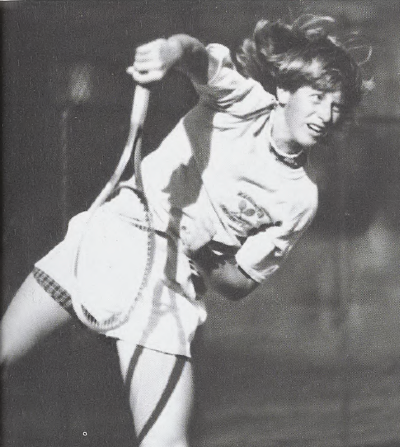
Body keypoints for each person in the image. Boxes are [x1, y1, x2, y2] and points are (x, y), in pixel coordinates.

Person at [1, 15, 367, 447]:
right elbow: (195, 55)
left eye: (336, 106)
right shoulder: (242, 101)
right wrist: (170, 51)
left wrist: (208, 256)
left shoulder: (301, 198)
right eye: (318, 96)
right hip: (111, 235)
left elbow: (237, 283)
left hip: (168, 286)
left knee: (165, 443)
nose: (325, 114)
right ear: (285, 89)